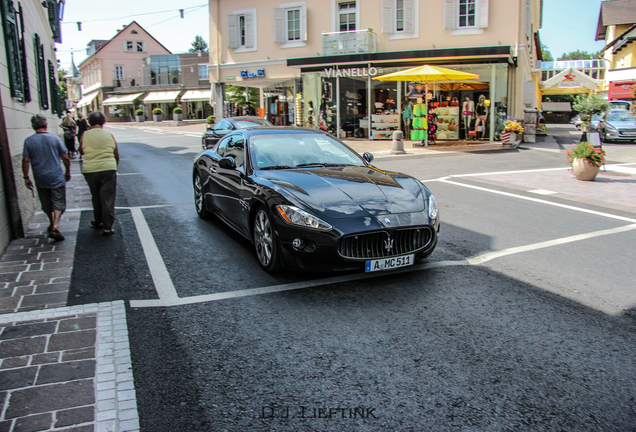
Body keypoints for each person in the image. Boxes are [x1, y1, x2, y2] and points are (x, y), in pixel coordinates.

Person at [22, 114, 71, 241]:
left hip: (40, 177)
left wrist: (26, 176)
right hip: (55, 175)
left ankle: (51, 223)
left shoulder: (29, 141)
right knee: (58, 201)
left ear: (33, 126)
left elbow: (26, 160)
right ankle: (55, 225)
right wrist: (67, 171)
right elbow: (65, 157)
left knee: (46, 202)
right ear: (46, 125)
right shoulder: (54, 138)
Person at [79, 111, 120, 236]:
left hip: (90, 170)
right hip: (108, 168)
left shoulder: (85, 135)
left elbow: (81, 151)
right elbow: (116, 154)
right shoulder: (109, 135)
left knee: (95, 196)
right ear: (103, 122)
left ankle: (98, 221)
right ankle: (107, 227)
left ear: (89, 122)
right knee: (107, 198)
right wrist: (114, 167)